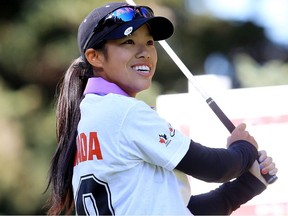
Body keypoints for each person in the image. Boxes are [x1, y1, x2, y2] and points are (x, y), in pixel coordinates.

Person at [46, 2, 278, 215]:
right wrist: (243, 148)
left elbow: (180, 210)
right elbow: (213, 168)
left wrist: (250, 183)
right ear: (94, 57)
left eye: (149, 42)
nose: (145, 52)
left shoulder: (90, 117)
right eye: (128, 41)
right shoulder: (123, 112)